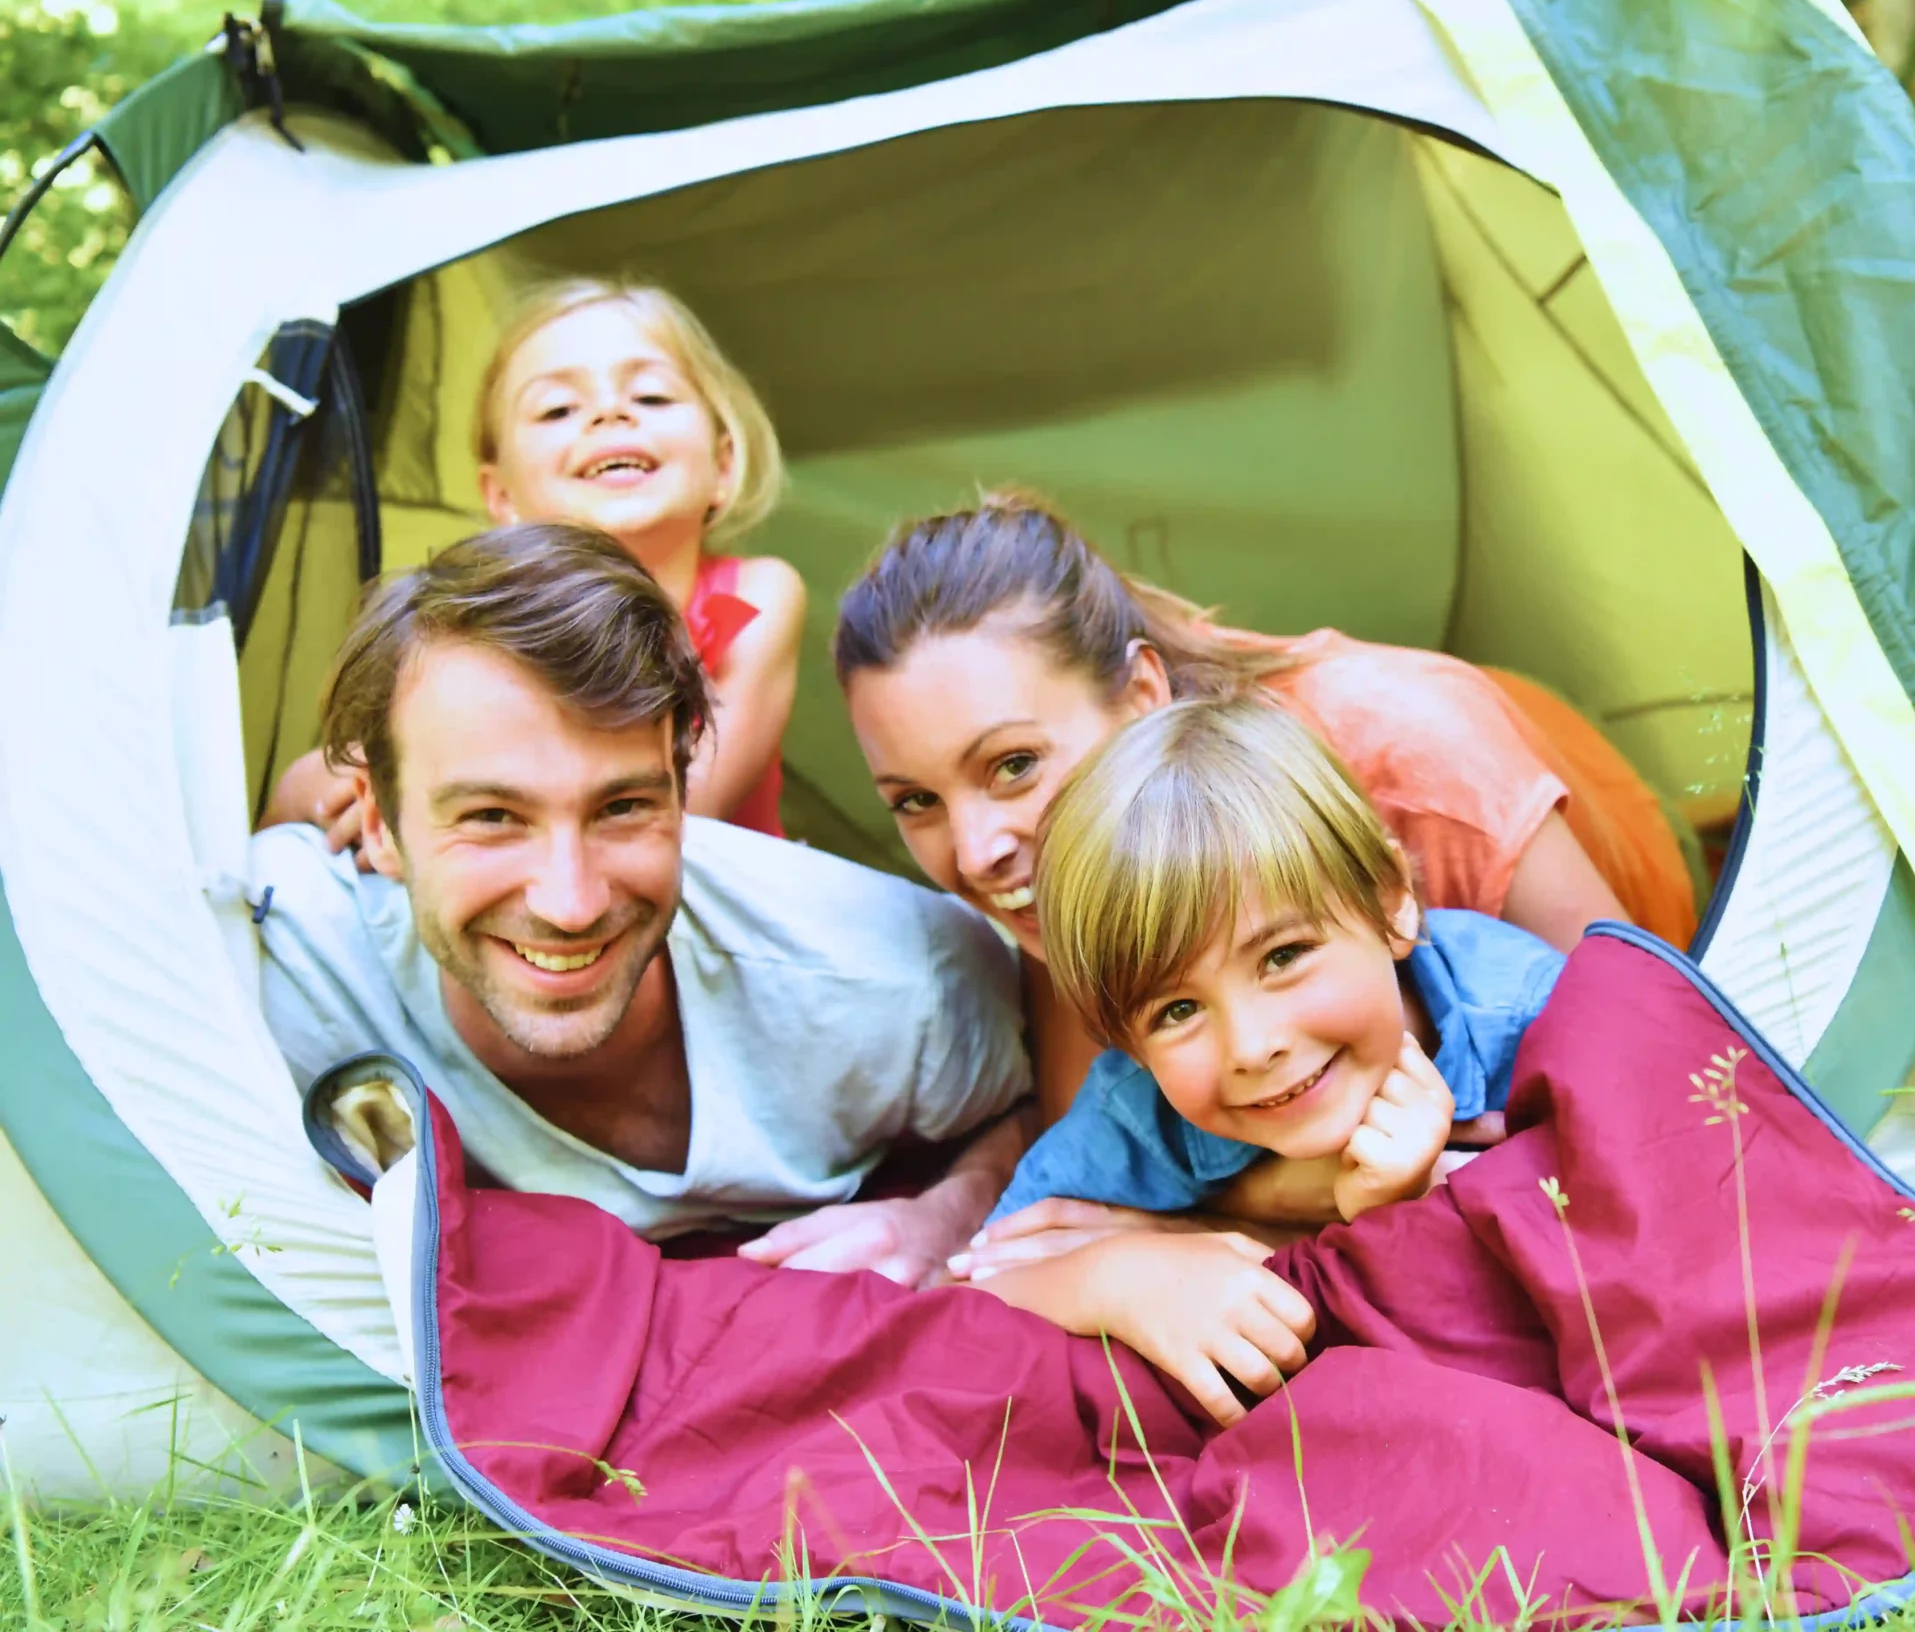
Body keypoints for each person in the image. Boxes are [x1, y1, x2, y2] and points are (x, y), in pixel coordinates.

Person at [832, 489, 1684, 1271]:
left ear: (1140, 696)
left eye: (1013, 764)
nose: (976, 852)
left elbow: (1664, 1068)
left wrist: (1214, 1222)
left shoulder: (1418, 766)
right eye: (916, 801)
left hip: (1614, 811)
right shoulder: (1075, 876)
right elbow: (1106, 1152)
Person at [253, 523, 1032, 1284]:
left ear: (682, 795)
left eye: (622, 807)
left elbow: (1055, 1106)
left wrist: (954, 1208)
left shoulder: (896, 981)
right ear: (380, 824)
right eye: (493, 817)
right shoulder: (274, 960)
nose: (569, 902)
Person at [961, 697, 1564, 1421]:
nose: (1252, 1045)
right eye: (1177, 1010)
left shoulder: (1529, 1013)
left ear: (1391, 900)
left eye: (1282, 956)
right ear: (1130, 1046)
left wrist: (1396, 1214)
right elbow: (969, 1289)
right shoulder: (1135, 1110)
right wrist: (1119, 1277)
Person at [265, 278, 802, 845]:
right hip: (526, 880)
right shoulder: (482, 631)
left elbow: (681, 813)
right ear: (502, 498)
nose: (610, 414)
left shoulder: (759, 596)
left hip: (697, 900)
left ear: (723, 465)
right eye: (557, 409)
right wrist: (375, 788)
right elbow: (318, 784)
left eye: (651, 397)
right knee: (313, 787)